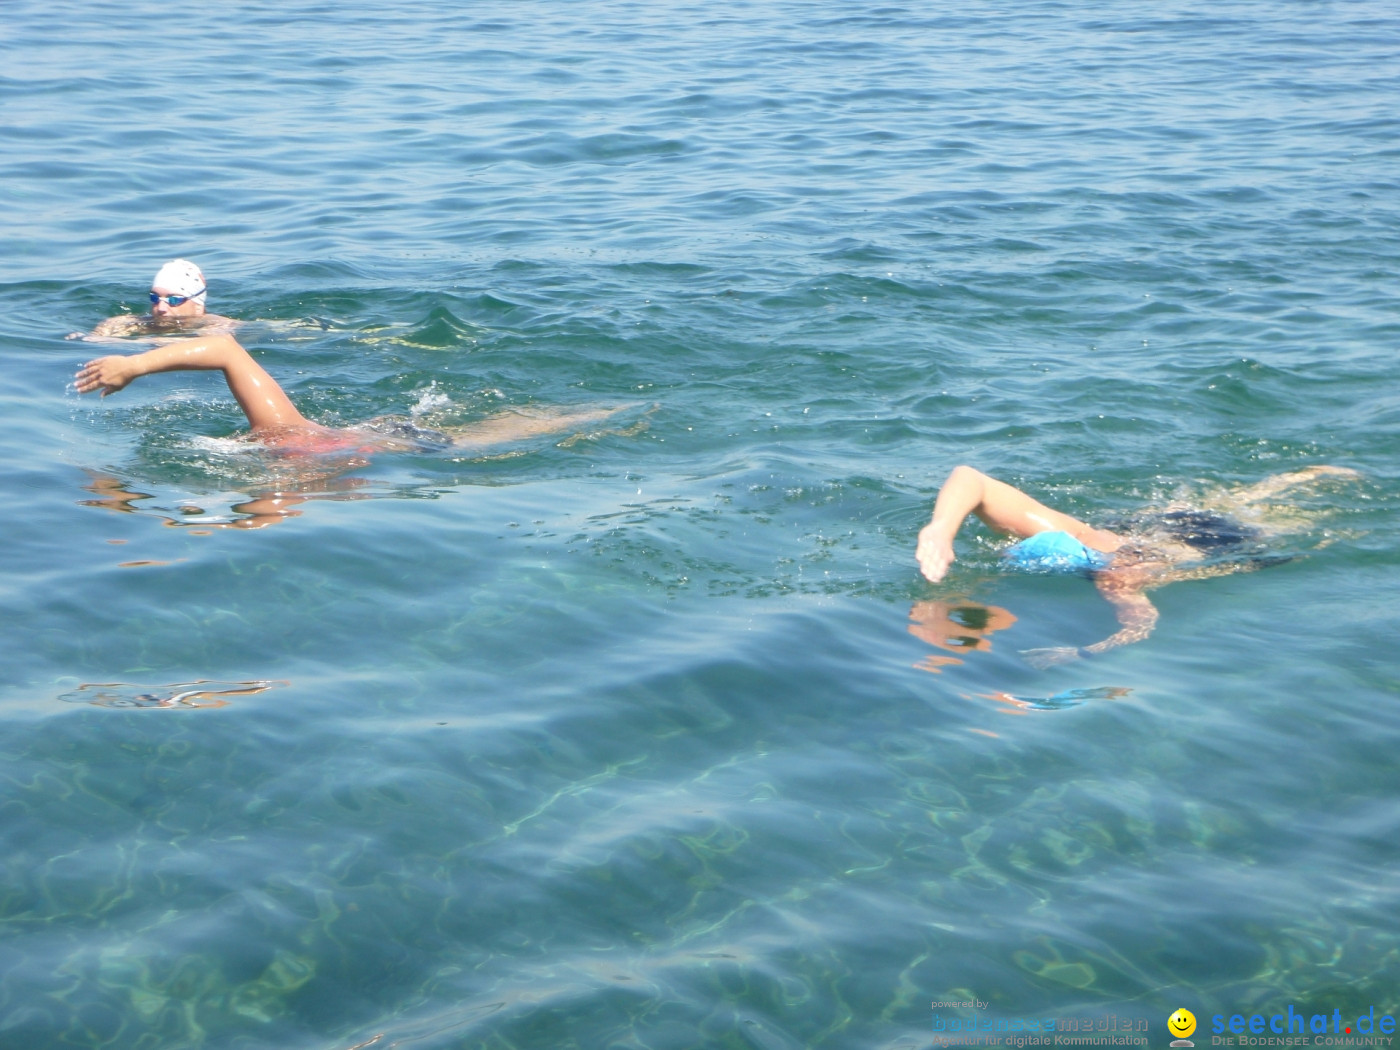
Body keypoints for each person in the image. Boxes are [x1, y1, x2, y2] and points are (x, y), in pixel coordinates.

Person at [915, 464, 1359, 662]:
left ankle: (1301, 481)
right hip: (1164, 526)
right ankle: (1298, 479)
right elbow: (970, 478)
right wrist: (940, 529)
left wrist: (1081, 652)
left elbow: (1140, 626)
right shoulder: (1083, 538)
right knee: (1241, 504)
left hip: (1213, 542)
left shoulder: (1116, 579)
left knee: (1265, 524)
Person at [74, 331, 640, 456]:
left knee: (479, 440)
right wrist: (133, 366)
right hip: (373, 435)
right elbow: (226, 349)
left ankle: (616, 412)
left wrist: (132, 365)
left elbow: (224, 344)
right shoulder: (277, 434)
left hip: (400, 444)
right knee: (497, 430)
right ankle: (610, 412)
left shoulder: (277, 437)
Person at [70, 259, 238, 341]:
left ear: (197, 307)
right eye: (155, 298)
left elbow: (214, 348)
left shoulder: (217, 326)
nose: (161, 307)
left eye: (174, 300)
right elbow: (100, 335)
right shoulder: (138, 324)